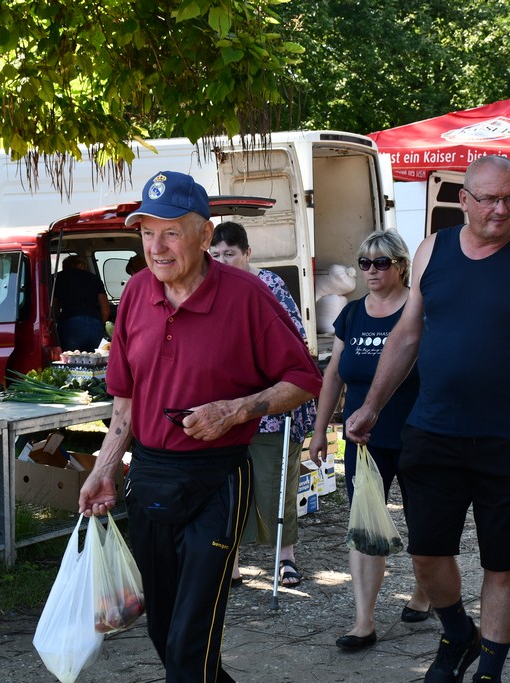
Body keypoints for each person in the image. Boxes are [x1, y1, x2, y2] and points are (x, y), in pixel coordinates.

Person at [344, 155, 510, 683]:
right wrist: (371, 406)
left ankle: (490, 671)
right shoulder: (434, 251)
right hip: (434, 428)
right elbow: (407, 336)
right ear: (465, 201)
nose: (501, 210)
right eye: (489, 199)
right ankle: (459, 634)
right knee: (426, 553)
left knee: (503, 561)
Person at [77, 171, 322, 683]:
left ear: (205, 235)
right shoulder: (138, 294)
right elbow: (124, 402)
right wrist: (104, 469)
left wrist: (235, 410)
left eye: (171, 232)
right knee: (165, 634)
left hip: (217, 481)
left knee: (191, 640)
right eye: (146, 232)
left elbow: (304, 379)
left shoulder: (246, 296)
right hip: (149, 478)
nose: (156, 246)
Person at [307, 230, 430, 652]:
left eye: (381, 262)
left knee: (425, 521)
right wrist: (321, 430)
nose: (371, 271)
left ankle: (424, 591)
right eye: (364, 263)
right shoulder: (352, 314)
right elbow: (334, 376)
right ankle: (364, 621)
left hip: (418, 435)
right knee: (364, 524)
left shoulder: (419, 309)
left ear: (400, 266)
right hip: (364, 440)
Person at [209, 221, 316, 589]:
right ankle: (231, 562)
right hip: (224, 407)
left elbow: (297, 340)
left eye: (230, 254)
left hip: (269, 407)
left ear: (248, 253)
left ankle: (285, 558)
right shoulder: (209, 288)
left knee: (273, 482)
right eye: (216, 255)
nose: (222, 261)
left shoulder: (268, 285)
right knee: (229, 488)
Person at [52, 254, 110, 351]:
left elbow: (54, 306)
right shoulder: (94, 279)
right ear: (81, 265)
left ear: (65, 266)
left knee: (72, 361)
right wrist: (100, 324)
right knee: (94, 361)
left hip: (70, 323)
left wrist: (57, 321)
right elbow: (105, 310)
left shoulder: (57, 278)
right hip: (95, 324)